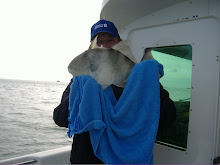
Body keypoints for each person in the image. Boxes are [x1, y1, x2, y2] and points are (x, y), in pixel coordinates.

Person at [53, 20, 176, 164]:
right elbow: (60, 119)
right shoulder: (79, 82)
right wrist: (83, 91)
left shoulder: (137, 81)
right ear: (91, 46)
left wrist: (151, 83)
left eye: (110, 40)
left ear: (119, 43)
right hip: (85, 159)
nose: (104, 45)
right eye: (98, 41)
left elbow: (168, 118)